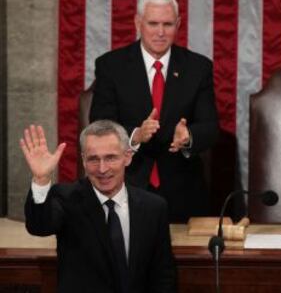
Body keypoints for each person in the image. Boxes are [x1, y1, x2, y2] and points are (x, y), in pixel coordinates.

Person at [89, 0, 219, 223]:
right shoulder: (111, 66)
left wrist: (188, 136)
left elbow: (210, 127)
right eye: (153, 23)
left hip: (183, 190)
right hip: (126, 183)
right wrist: (135, 135)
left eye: (168, 24)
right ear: (138, 22)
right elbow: (100, 125)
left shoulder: (198, 68)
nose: (160, 32)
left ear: (178, 24)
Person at [22, 120, 177, 293]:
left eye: (110, 158)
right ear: (83, 161)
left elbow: (163, 275)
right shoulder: (66, 198)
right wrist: (41, 179)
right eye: (93, 159)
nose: (102, 169)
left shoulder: (154, 207)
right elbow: (39, 226)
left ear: (127, 157)